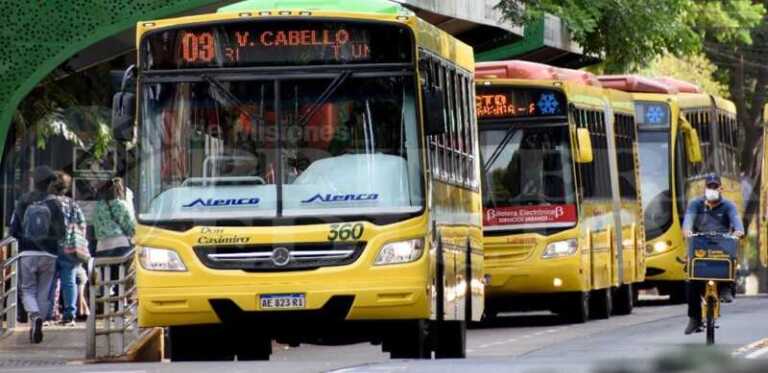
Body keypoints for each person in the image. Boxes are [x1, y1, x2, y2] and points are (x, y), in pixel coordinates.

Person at [681, 174, 744, 335]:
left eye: (715, 187)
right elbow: (688, 220)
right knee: (692, 282)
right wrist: (687, 230)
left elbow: (737, 222)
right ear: (705, 188)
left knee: (729, 262)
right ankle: (694, 319)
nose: (712, 189)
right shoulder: (696, 204)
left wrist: (738, 231)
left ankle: (726, 288)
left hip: (721, 246)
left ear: (721, 188)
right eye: (710, 186)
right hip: (699, 246)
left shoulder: (728, 206)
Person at [9, 166, 66, 343]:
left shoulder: (23, 201)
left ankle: (34, 316)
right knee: (44, 291)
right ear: (50, 183)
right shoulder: (55, 204)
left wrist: (25, 238)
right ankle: (38, 319)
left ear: (34, 182)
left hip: (27, 251)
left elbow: (14, 229)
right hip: (49, 253)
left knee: (27, 289)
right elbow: (62, 232)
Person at [49, 171, 87, 327]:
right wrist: (79, 241)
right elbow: (82, 224)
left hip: (50, 246)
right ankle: (69, 314)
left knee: (50, 282)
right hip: (70, 247)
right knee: (69, 281)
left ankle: (50, 313)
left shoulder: (47, 203)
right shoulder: (72, 203)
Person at [93, 178, 135, 257]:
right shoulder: (121, 205)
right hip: (120, 243)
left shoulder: (98, 206)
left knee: (104, 268)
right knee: (122, 268)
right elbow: (129, 225)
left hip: (102, 245)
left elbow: (96, 226)